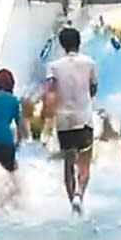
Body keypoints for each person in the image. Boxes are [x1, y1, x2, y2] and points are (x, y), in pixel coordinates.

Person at [42, 27, 98, 214]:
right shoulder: (89, 63)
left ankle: (71, 203)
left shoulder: (53, 66)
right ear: (79, 42)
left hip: (64, 119)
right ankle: (79, 195)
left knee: (68, 162)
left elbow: (49, 91)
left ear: (62, 44)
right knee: (84, 161)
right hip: (84, 118)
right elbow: (93, 88)